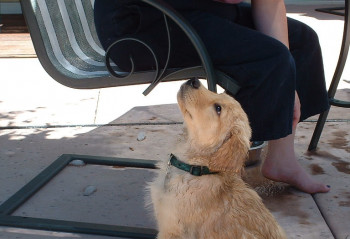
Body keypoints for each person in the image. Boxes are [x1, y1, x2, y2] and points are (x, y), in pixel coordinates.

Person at [94, 0, 331, 194]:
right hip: (141, 23)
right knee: (268, 57)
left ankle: (282, 159)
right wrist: (284, 72)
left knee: (301, 40)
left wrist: (289, 83)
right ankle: (221, 178)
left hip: (194, 10)